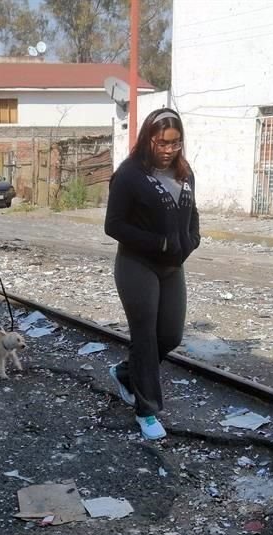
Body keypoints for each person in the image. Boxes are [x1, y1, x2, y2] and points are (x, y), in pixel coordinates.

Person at [104, 109, 201, 440]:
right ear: (148, 138)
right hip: (136, 265)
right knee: (144, 337)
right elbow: (113, 225)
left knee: (170, 336)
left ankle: (125, 373)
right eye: (162, 142)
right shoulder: (129, 174)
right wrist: (158, 242)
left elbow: (192, 212)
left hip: (173, 267)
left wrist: (192, 239)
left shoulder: (184, 173)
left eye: (175, 143)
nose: (169, 149)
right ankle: (146, 412)